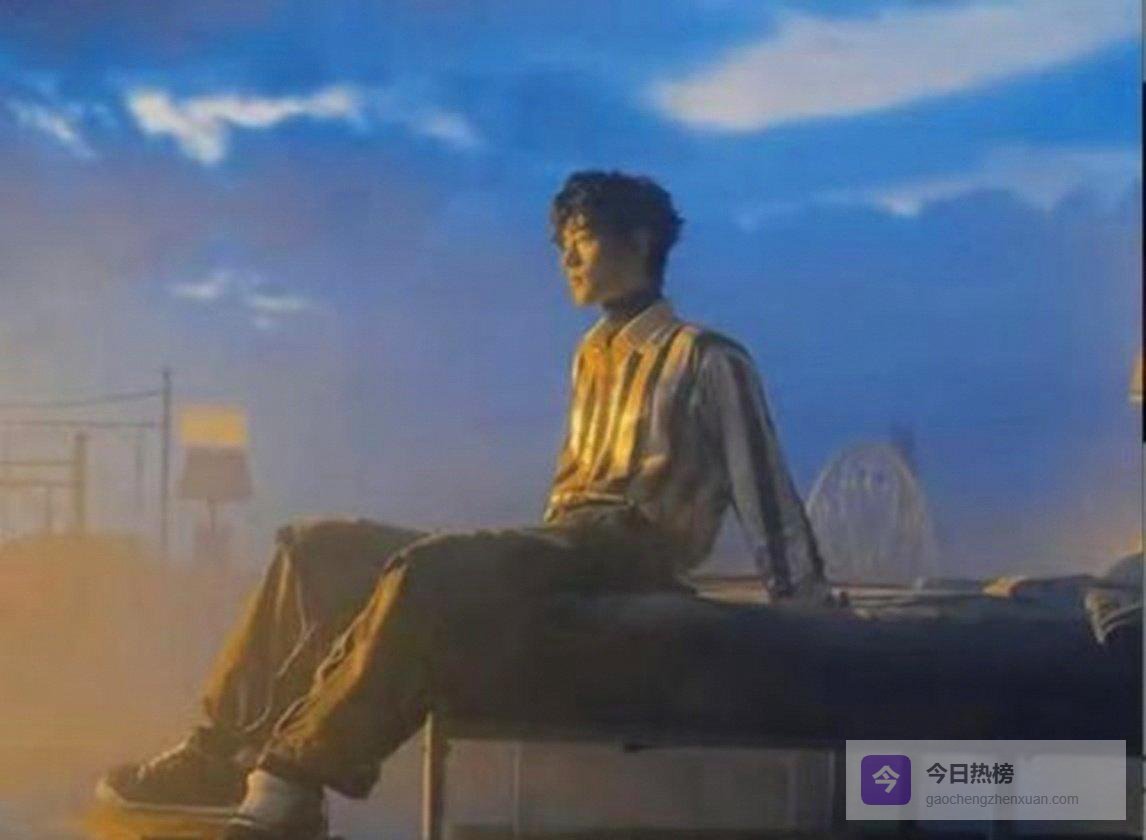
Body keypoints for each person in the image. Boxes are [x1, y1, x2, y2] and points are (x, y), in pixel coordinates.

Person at [97, 170, 829, 837]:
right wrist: (523, 561)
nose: (567, 259)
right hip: (566, 538)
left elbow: (763, 486)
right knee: (317, 547)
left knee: (433, 568)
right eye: (561, 245)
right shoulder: (591, 354)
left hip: (631, 550)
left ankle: (294, 776)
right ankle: (217, 753)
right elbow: (569, 488)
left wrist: (807, 607)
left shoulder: (706, 356)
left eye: (580, 239)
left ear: (638, 241)